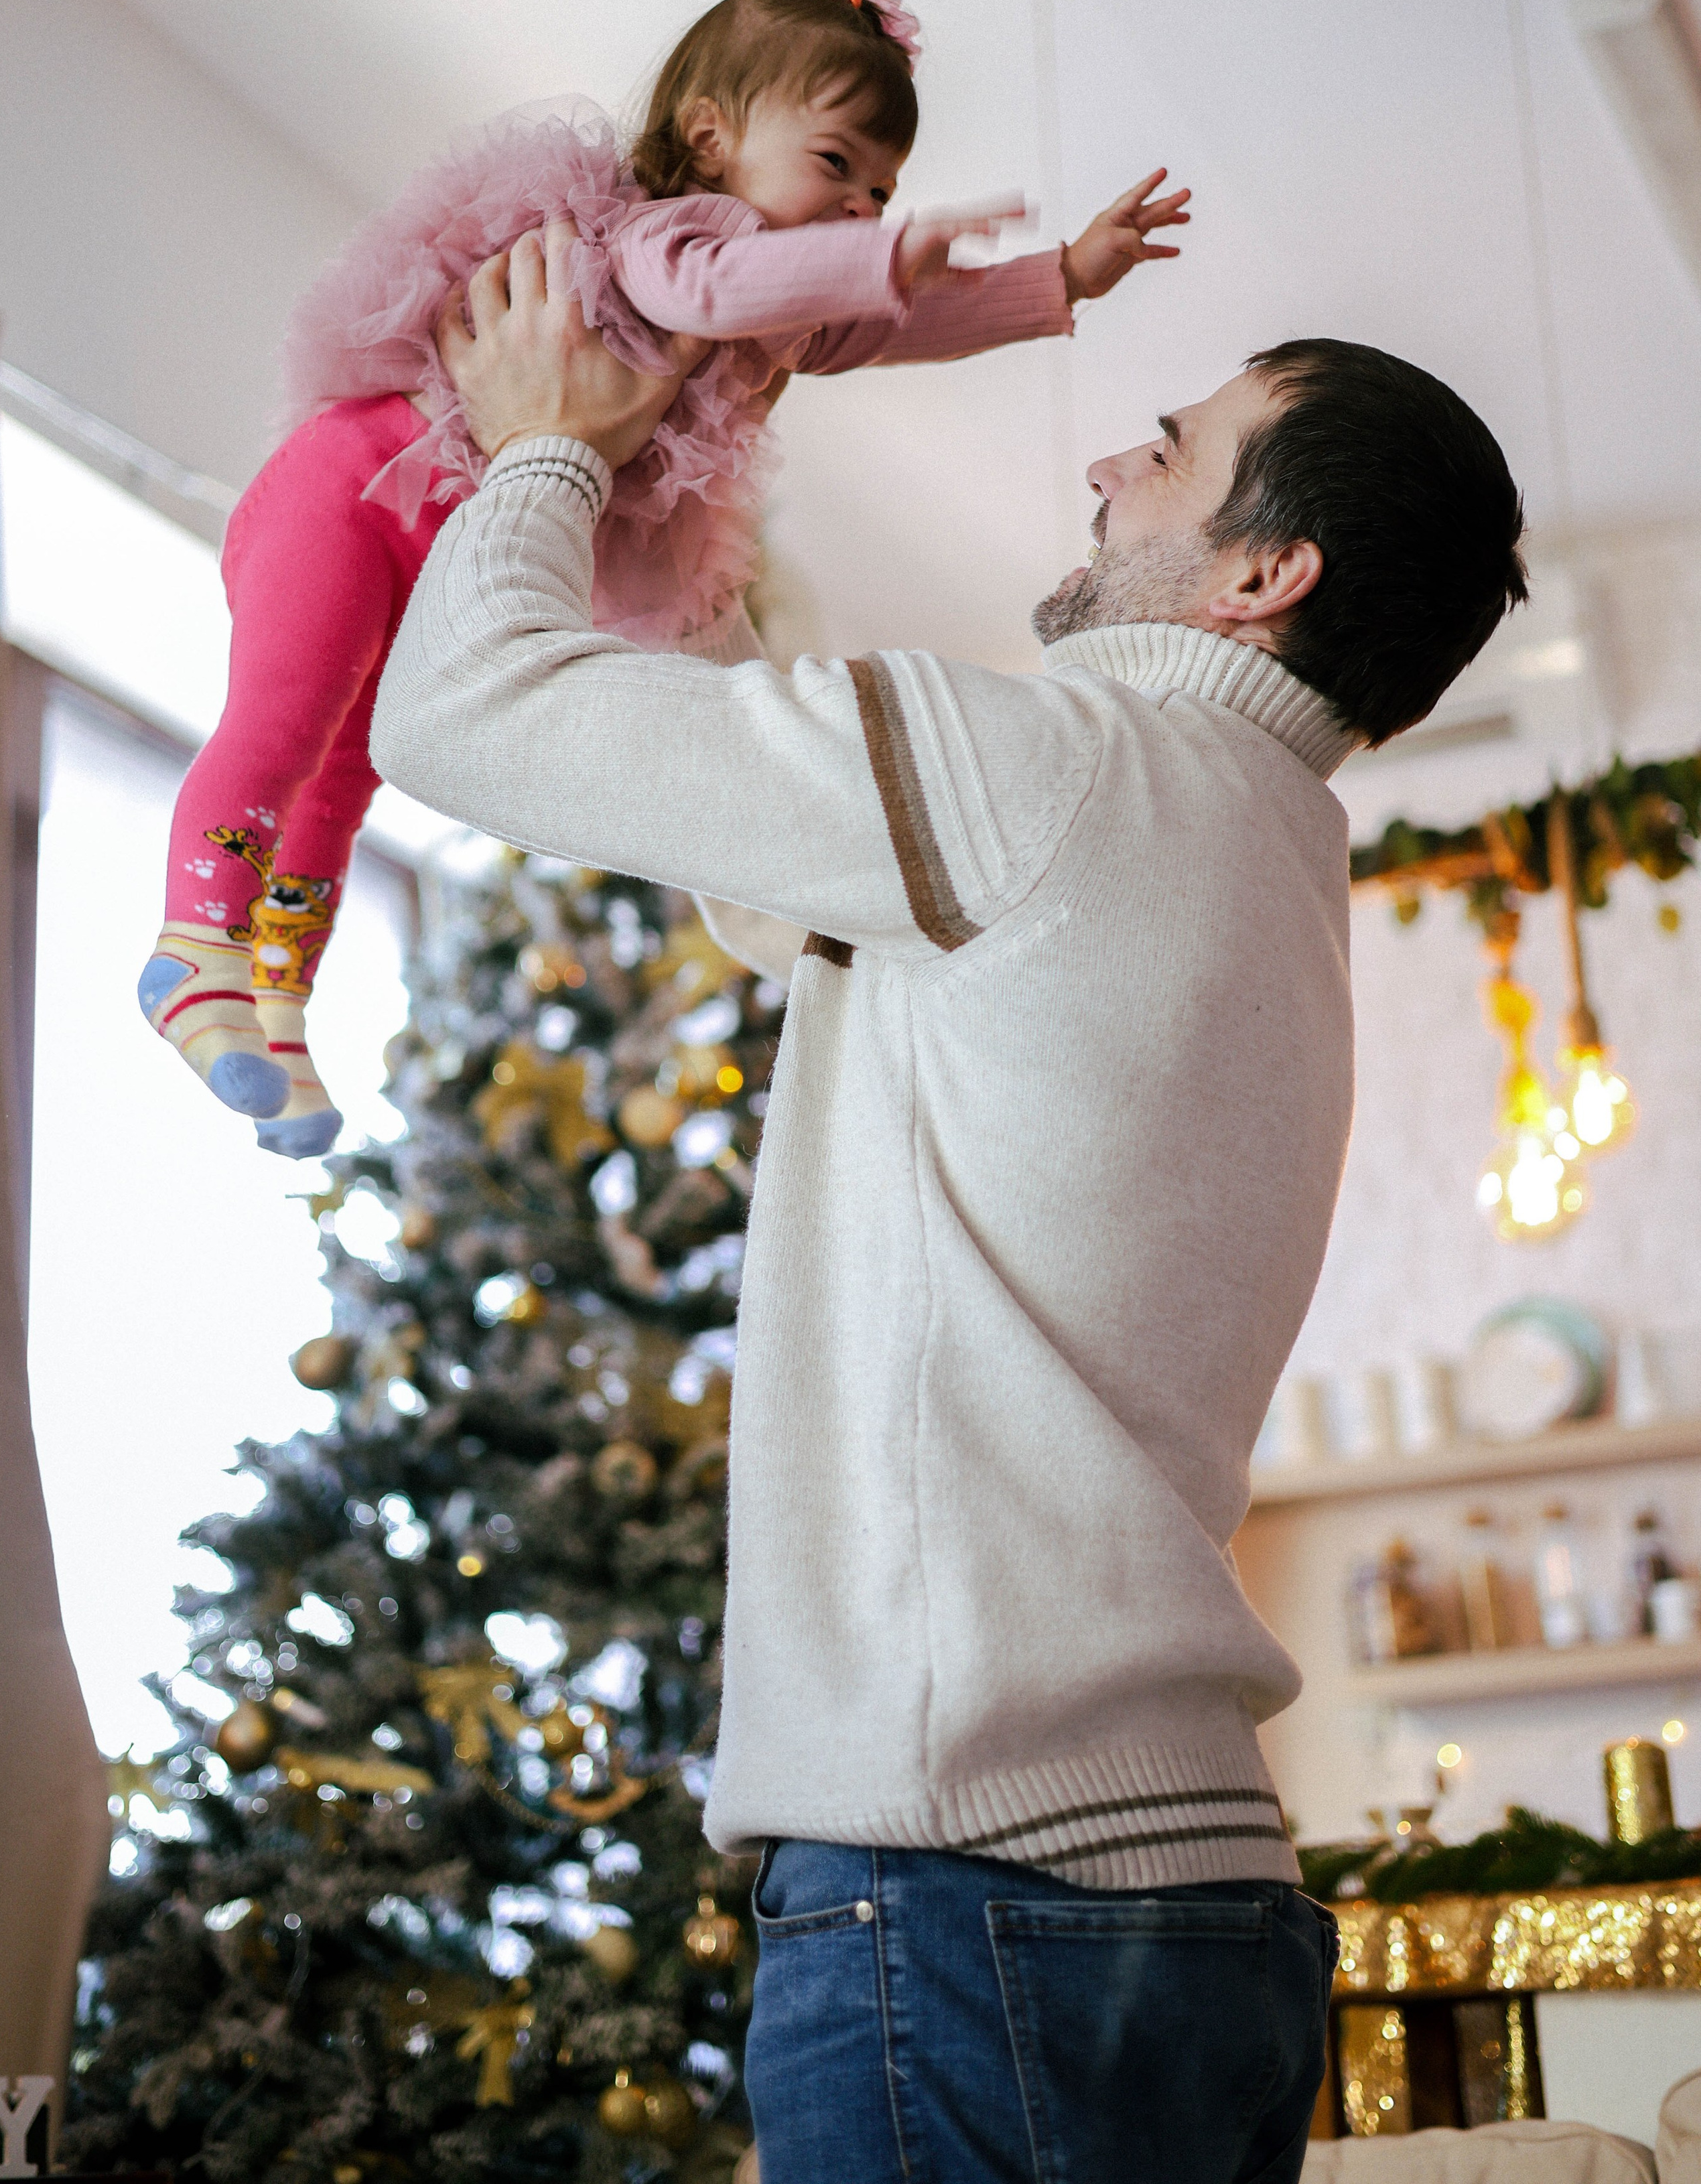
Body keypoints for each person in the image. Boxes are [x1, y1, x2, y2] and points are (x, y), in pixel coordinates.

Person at [369, 223, 1527, 2183]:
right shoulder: (1261, 859)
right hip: (1191, 1904)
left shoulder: (1063, 769)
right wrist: (678, 568)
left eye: (1166, 448)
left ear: (1265, 572)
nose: (1103, 466)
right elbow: (777, 874)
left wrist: (543, 450)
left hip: (978, 1886)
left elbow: (457, 715)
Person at [137, 0, 1186, 1155]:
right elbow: (717, 292)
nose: (858, 204)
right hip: (351, 487)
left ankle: (279, 1003)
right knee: (282, 731)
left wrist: (1059, 279)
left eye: (880, 189)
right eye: (836, 164)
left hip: (431, 538)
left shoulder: (796, 297)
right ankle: (198, 949)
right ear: (710, 139)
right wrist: (884, 253)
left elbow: (892, 328)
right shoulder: (669, 233)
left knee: (342, 778)